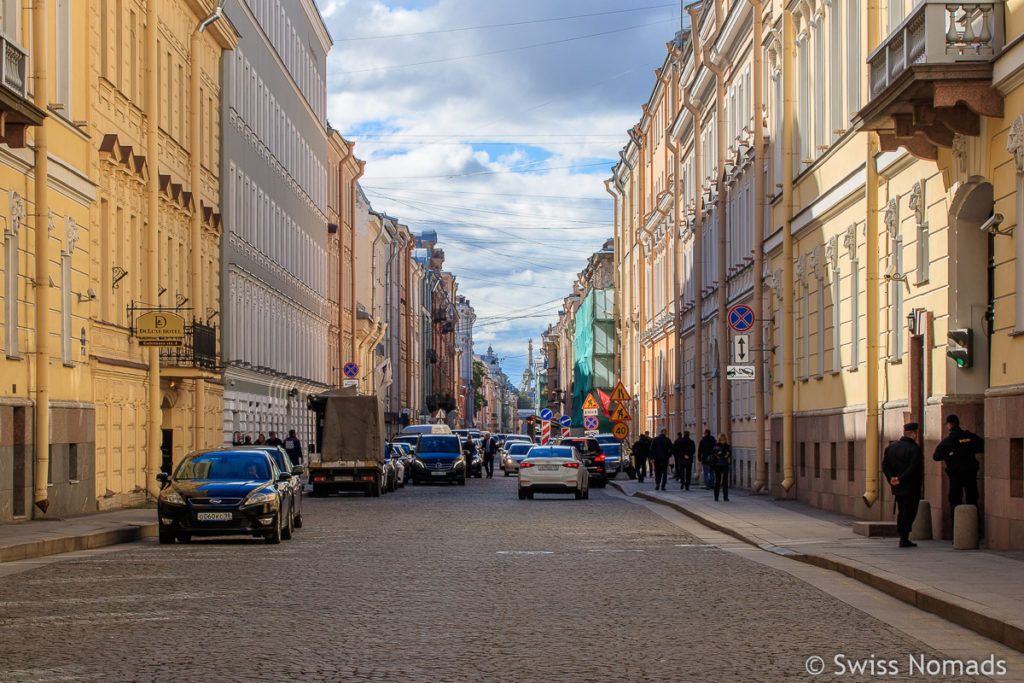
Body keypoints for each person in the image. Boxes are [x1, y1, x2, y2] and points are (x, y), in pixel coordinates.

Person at [932, 414, 984, 514]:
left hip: (956, 475)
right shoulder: (969, 436)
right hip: (970, 473)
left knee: (955, 500)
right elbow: (982, 446)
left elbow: (936, 456)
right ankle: (974, 524)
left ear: (950, 424)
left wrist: (950, 455)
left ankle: (956, 525)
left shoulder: (948, 441)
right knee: (972, 499)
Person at [883, 422, 924, 548]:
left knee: (901, 510)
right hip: (911, 486)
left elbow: (885, 465)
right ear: (913, 434)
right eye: (916, 434)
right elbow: (913, 468)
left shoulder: (891, 447)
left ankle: (902, 535)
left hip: (897, 487)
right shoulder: (915, 449)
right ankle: (904, 537)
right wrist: (900, 479)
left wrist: (892, 478)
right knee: (909, 511)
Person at [712, 433, 732, 502]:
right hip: (718, 465)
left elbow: (729, 454)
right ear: (719, 440)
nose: (723, 441)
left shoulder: (727, 446)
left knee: (725, 482)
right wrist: (721, 454)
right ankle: (716, 497)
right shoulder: (716, 446)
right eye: (721, 440)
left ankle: (725, 497)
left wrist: (724, 454)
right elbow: (715, 453)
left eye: (724, 440)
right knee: (717, 481)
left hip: (725, 464)